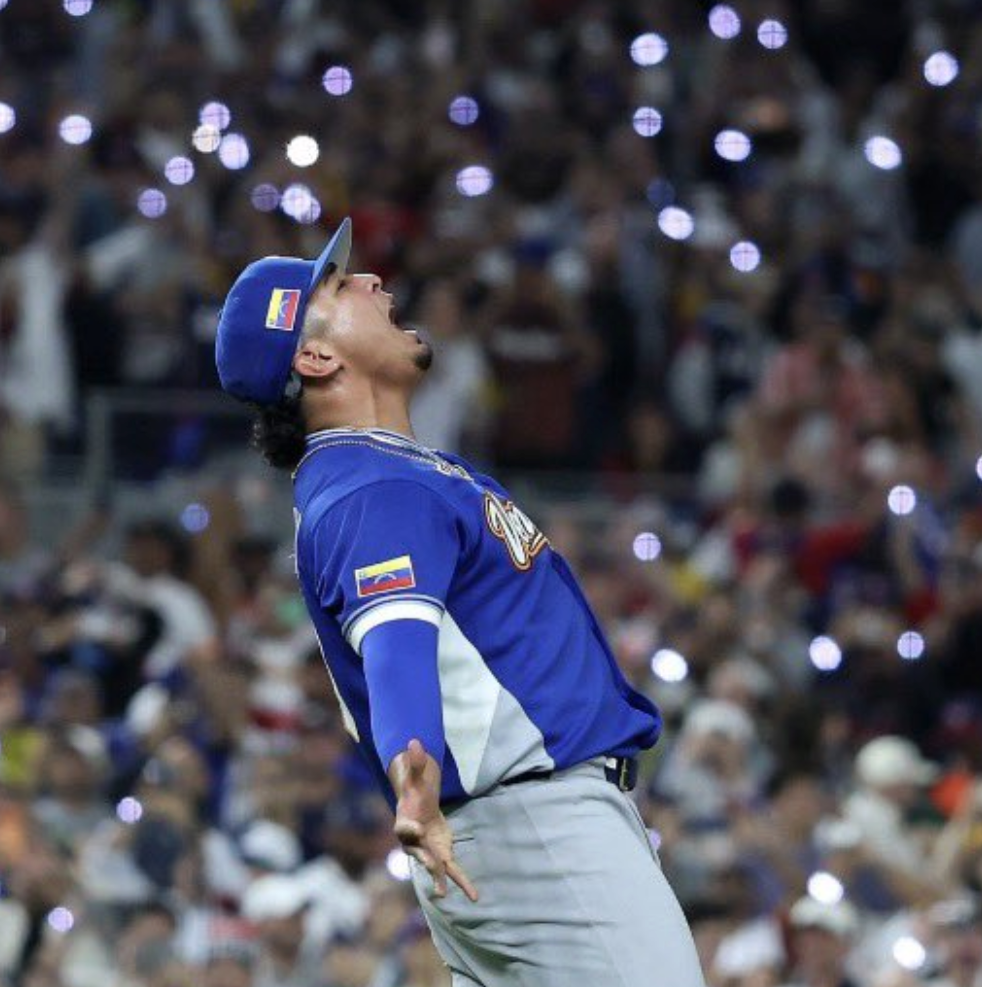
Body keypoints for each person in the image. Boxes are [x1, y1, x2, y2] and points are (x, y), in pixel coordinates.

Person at [213, 219, 703, 987]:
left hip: (517, 829)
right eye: (339, 286)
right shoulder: (372, 486)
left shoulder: (392, 470)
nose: (371, 280)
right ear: (315, 357)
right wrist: (416, 785)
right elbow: (395, 643)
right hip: (532, 827)